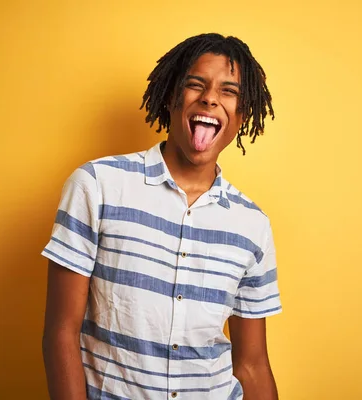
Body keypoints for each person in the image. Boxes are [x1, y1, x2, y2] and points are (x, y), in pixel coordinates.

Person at [42, 33, 282, 400]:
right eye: (195, 85)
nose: (210, 98)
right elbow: (61, 331)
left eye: (228, 91)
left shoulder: (253, 226)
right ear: (172, 96)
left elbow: (252, 365)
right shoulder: (97, 185)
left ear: (241, 118)